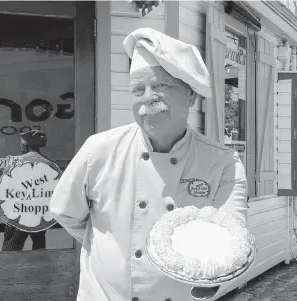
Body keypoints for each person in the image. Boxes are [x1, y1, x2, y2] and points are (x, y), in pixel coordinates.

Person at [50, 28, 248, 301]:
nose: (148, 97)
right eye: (137, 90)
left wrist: (211, 273)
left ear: (191, 94)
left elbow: (231, 239)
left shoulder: (222, 163)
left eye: (161, 86)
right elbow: (66, 212)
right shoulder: (99, 150)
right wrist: (108, 252)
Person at [1, 130, 48, 251]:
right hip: (40, 211)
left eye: (21, 145)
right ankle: (41, 269)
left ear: (25, 146)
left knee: (11, 246)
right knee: (39, 246)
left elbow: (5, 186)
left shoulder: (16, 162)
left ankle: (7, 269)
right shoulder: (48, 162)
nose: (20, 146)